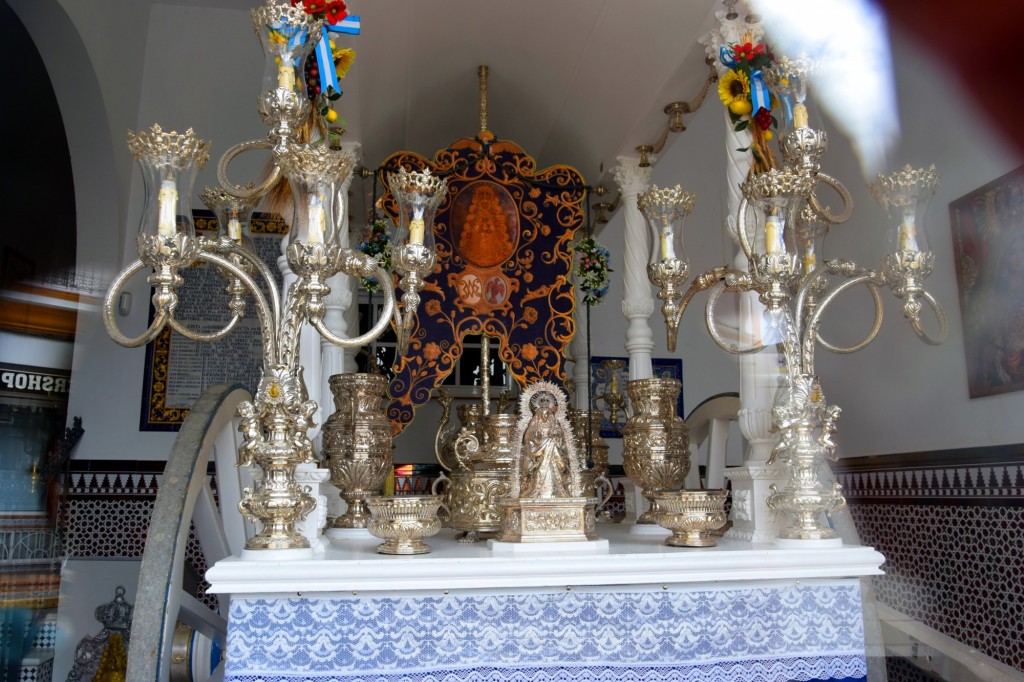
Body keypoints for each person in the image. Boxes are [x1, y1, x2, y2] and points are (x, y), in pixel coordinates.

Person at [520, 391, 570, 498]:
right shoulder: (535, 421)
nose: (545, 414)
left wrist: (556, 434)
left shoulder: (554, 420)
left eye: (547, 412)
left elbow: (560, 435)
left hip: (552, 448)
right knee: (537, 469)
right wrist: (536, 435)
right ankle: (537, 490)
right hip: (539, 449)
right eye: (542, 411)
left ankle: (556, 490)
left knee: (556, 460)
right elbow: (528, 435)